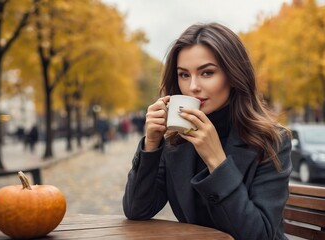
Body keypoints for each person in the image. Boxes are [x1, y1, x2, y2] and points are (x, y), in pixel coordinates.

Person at [123, 23, 292, 240]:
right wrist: (151, 145)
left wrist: (216, 161)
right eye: (184, 75)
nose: (193, 86)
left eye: (207, 72)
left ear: (233, 75)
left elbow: (259, 235)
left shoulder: (272, 140)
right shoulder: (177, 140)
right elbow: (137, 210)